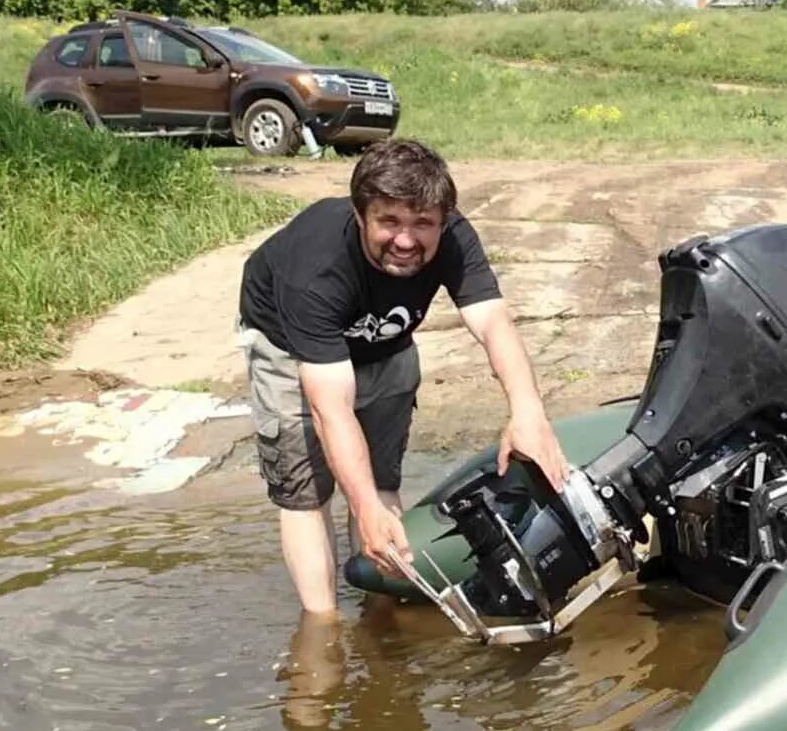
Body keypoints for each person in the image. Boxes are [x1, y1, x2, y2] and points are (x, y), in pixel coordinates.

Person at [236, 138, 567, 615]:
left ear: (442, 220)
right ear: (360, 215)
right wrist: (364, 506)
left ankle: (380, 603)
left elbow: (493, 322)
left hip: (386, 344)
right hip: (292, 350)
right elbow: (330, 408)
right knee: (305, 491)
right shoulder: (316, 269)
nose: (406, 240)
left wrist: (528, 412)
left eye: (422, 224)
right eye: (388, 221)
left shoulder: (454, 236)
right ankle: (323, 626)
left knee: (381, 478)